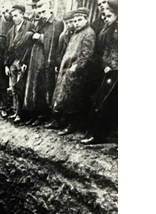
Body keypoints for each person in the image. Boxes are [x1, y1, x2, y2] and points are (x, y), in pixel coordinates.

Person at [50, 8, 96, 136]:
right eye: (75, 20)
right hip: (67, 69)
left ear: (86, 19)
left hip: (77, 73)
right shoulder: (76, 33)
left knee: (73, 99)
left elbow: (87, 55)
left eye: (79, 20)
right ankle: (63, 122)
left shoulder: (89, 33)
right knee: (63, 96)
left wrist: (76, 67)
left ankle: (72, 125)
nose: (76, 23)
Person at [81, 0, 118, 145]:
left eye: (108, 16)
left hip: (117, 71)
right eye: (103, 16)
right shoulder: (106, 30)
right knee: (101, 101)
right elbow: (103, 50)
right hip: (108, 70)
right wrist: (105, 65)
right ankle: (98, 135)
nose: (105, 19)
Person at [23, 2, 64, 126]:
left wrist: (40, 37)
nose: (41, 15)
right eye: (39, 13)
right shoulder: (39, 22)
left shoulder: (57, 23)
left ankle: (45, 115)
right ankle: (35, 114)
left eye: (43, 12)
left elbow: (54, 42)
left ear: (50, 9)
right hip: (35, 59)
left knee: (45, 88)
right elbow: (30, 37)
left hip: (48, 60)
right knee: (34, 87)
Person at [4, 4, 35, 122]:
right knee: (13, 88)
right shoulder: (11, 31)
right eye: (12, 16)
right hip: (12, 62)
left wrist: (25, 62)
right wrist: (6, 65)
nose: (14, 18)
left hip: (22, 61)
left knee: (20, 87)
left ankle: (21, 114)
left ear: (22, 14)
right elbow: (7, 49)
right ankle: (16, 111)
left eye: (16, 15)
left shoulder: (29, 26)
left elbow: (30, 47)